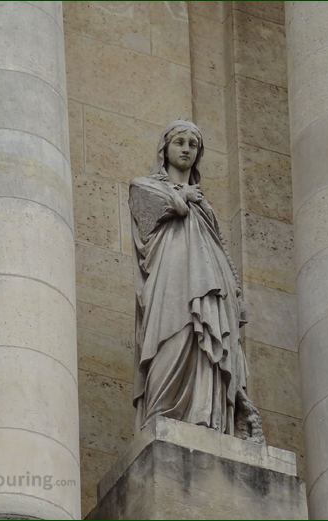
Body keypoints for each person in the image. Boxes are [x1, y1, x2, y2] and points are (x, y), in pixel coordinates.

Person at [129, 120, 263, 441]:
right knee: (172, 336)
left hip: (209, 283)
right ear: (165, 149)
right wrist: (182, 197)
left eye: (193, 144)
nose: (186, 148)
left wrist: (233, 293)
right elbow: (150, 216)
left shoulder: (206, 206)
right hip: (170, 279)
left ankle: (205, 416)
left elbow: (216, 247)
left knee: (205, 344)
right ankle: (162, 412)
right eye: (180, 142)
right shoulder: (145, 186)